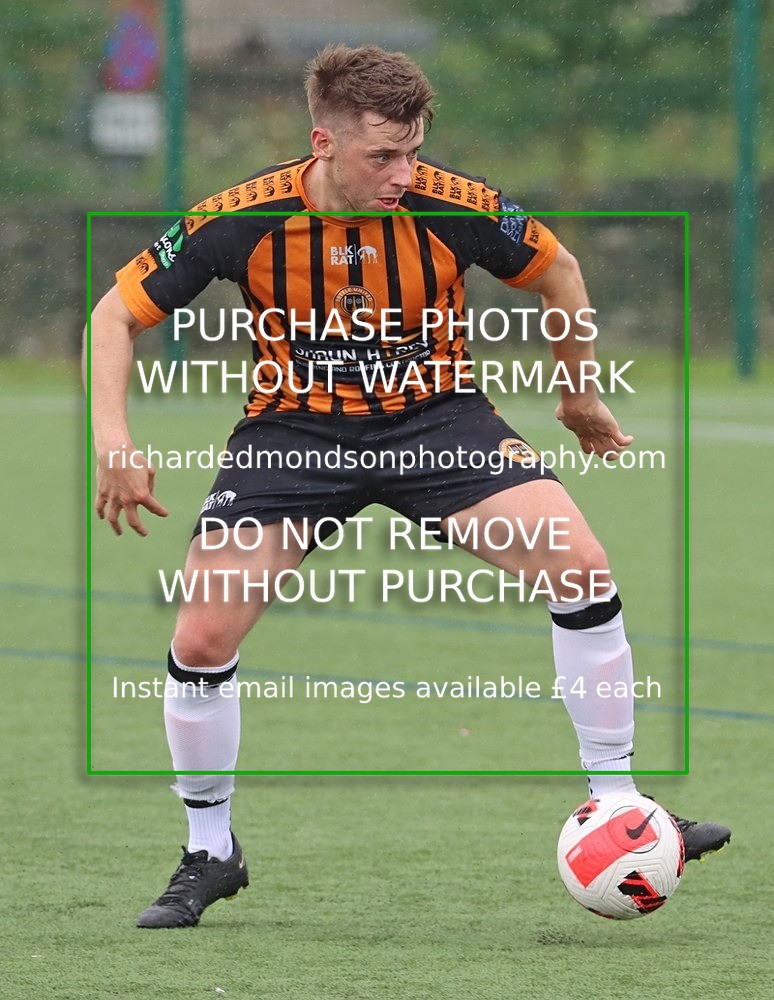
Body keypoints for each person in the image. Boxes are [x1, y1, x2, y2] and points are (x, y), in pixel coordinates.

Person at [87, 44, 730, 929]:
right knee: (201, 634)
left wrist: (577, 388)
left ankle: (617, 801)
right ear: (323, 142)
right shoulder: (242, 218)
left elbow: (560, 272)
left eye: (414, 150)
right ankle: (210, 850)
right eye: (382, 156)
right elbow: (115, 313)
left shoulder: (452, 204)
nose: (404, 172)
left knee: (580, 568)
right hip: (295, 434)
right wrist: (114, 440)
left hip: (435, 420)